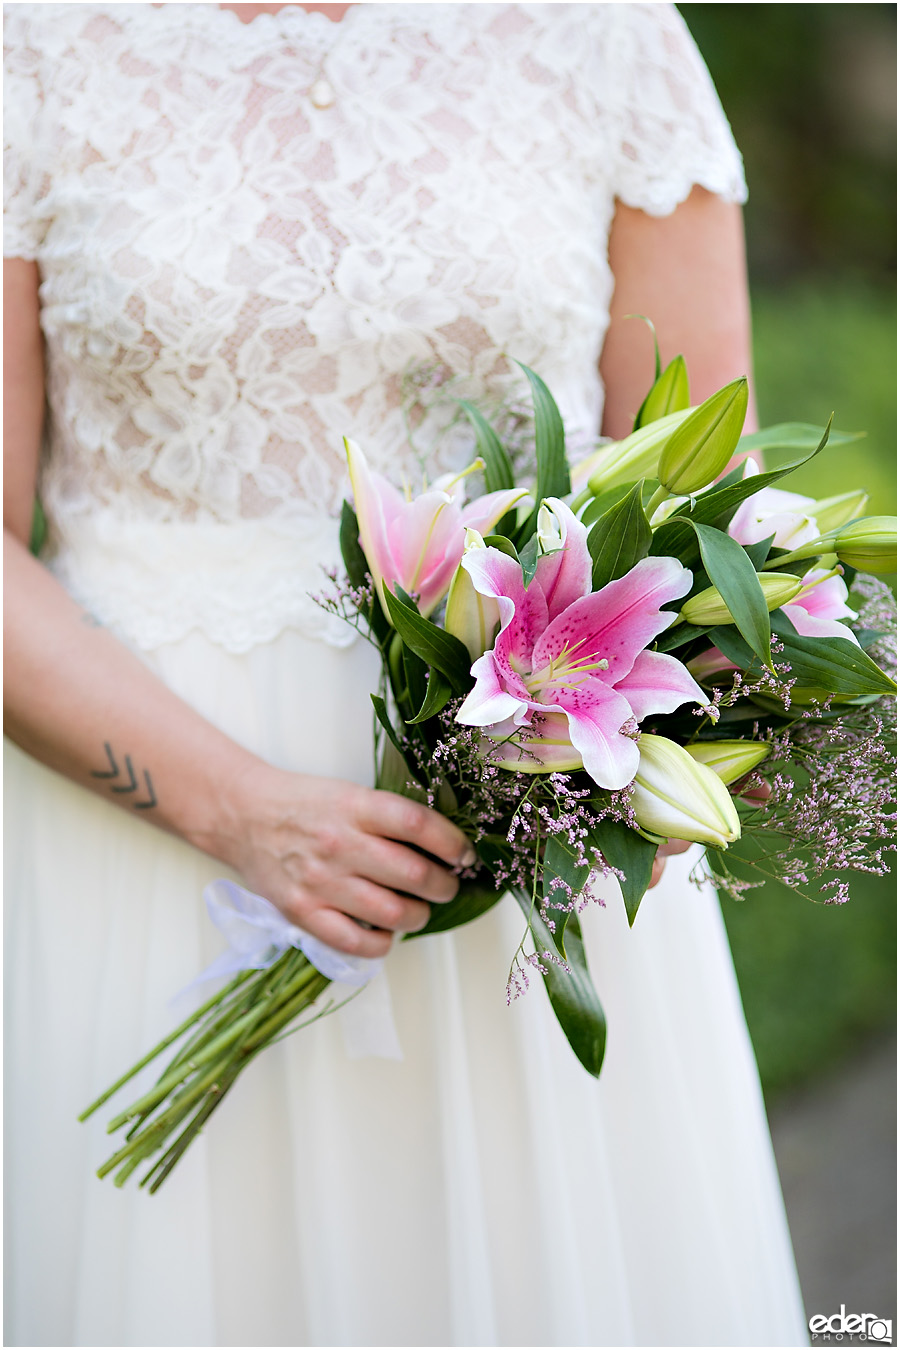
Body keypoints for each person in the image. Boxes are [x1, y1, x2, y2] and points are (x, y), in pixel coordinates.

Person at [4, 3, 810, 1345]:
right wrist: (234, 810)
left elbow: (697, 510)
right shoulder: (38, 40)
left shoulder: (607, 36)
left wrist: (625, 745)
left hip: (523, 861)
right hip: (138, 863)